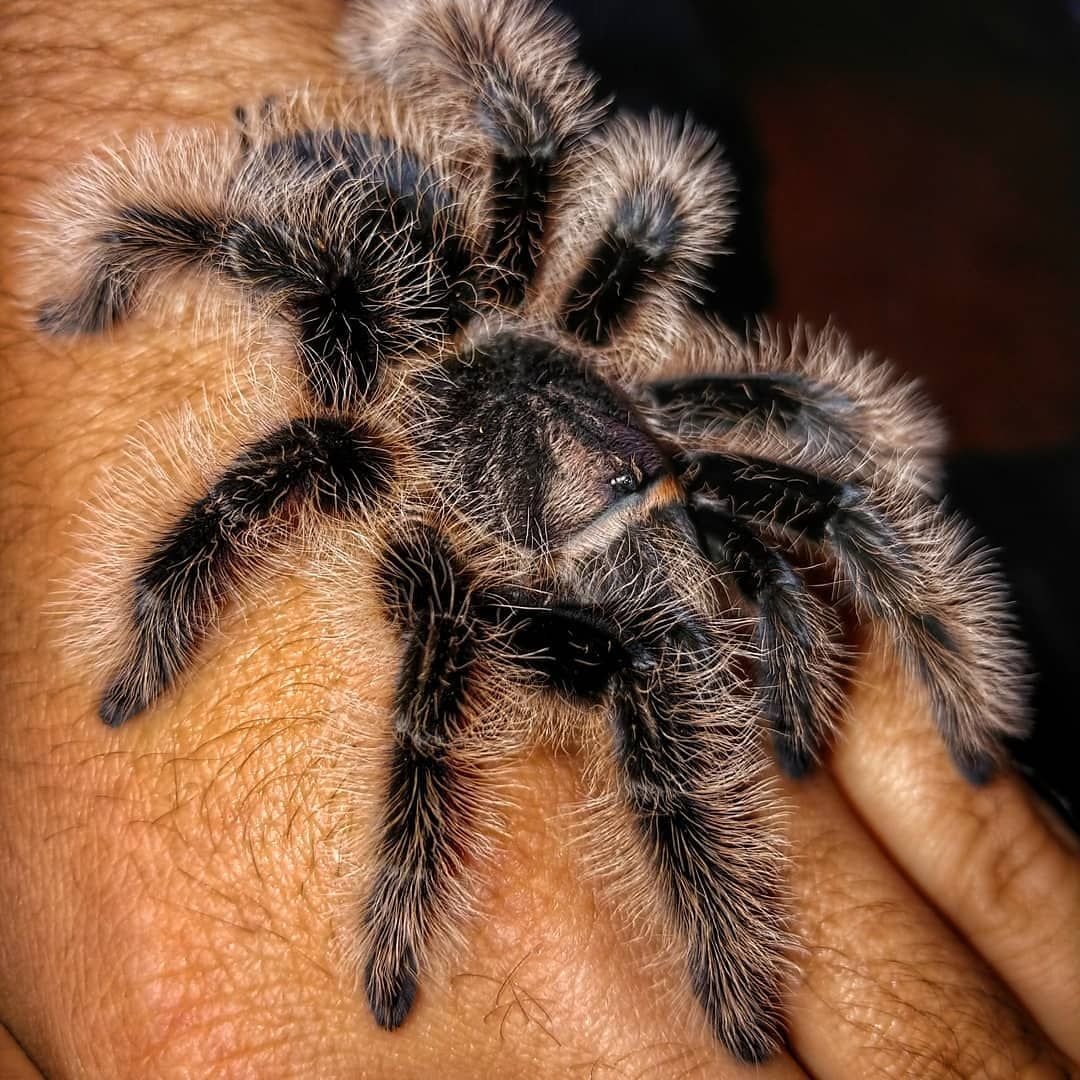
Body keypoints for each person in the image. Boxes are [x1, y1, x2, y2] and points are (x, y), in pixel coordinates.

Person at [1, 1, 1077, 1075]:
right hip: (392, 324)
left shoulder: (639, 401)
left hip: (508, 334)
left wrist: (871, 483)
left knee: (829, 500)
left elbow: (670, 223)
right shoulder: (381, 452)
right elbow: (416, 687)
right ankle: (718, 962)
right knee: (463, 645)